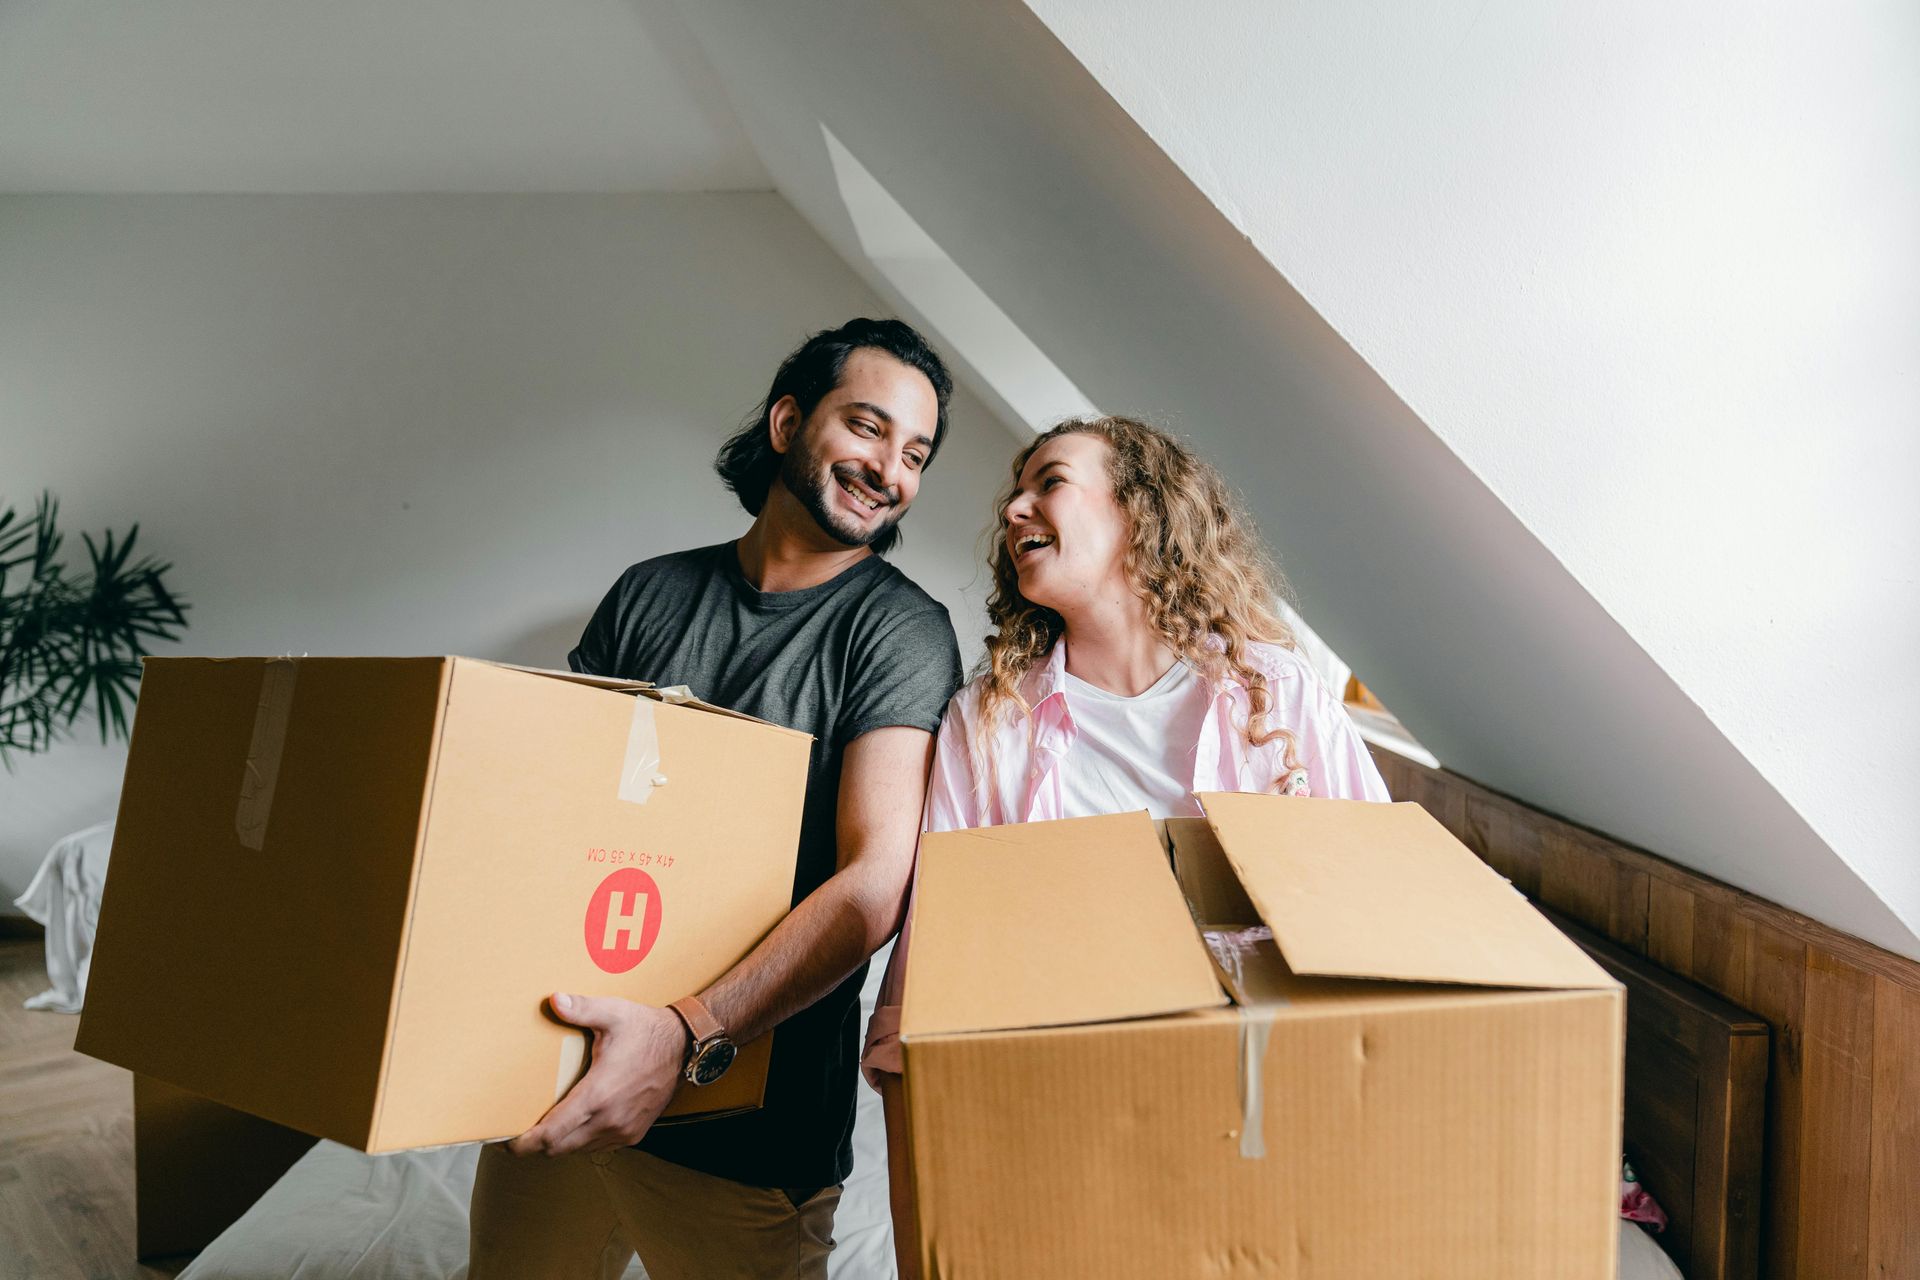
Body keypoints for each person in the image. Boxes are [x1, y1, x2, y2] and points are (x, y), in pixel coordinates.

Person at [467, 318, 965, 1280]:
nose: (890, 470)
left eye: (914, 454)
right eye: (867, 428)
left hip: (748, 1133)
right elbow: (554, 821)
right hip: (564, 1077)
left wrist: (687, 1031)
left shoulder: (899, 632)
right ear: (788, 421)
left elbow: (874, 885)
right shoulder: (648, 594)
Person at [861, 417, 1391, 1259]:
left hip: (1265, 1114)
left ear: (1139, 512)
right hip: (1064, 1120)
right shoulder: (990, 723)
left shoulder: (1280, 697)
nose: (1014, 508)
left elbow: (1385, 909)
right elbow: (936, 958)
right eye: (1016, 490)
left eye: (1050, 481)